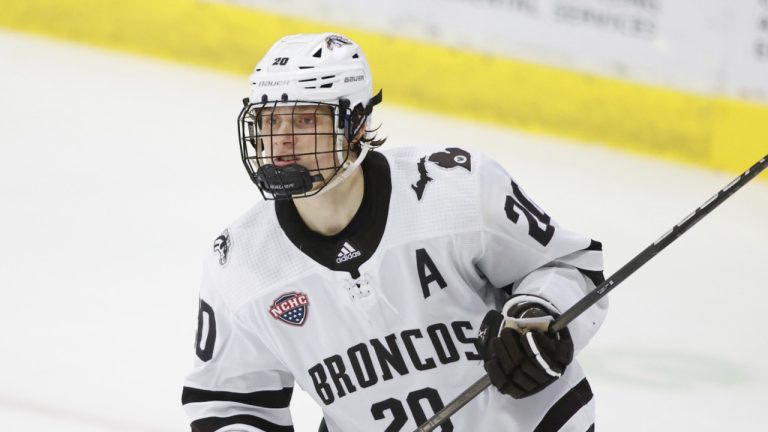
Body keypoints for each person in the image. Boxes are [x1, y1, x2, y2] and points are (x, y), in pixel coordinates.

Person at [182, 32, 608, 432]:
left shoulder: (454, 188)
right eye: (269, 122)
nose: (281, 144)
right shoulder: (240, 261)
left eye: (305, 121)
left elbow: (569, 264)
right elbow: (229, 399)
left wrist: (538, 315)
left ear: (358, 125)